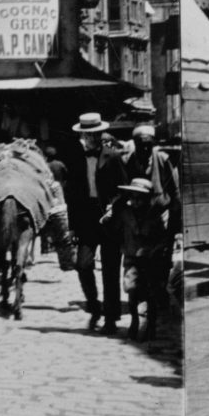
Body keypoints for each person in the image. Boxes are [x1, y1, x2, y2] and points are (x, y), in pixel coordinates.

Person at [62, 112, 126, 330]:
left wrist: (113, 207)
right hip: (86, 220)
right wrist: (71, 228)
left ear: (100, 133)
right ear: (82, 135)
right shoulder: (76, 159)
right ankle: (93, 306)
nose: (91, 138)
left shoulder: (114, 157)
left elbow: (123, 190)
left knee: (110, 270)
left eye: (95, 134)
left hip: (109, 220)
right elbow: (71, 196)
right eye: (87, 134)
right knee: (83, 265)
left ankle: (110, 318)